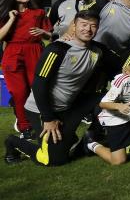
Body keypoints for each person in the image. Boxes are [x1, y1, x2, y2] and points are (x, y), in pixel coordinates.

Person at [4, 11, 120, 166]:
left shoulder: (98, 50)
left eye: (93, 26)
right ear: (74, 26)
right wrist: (48, 118)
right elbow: (39, 85)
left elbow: (119, 66)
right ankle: (13, 142)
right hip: (42, 110)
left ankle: (91, 136)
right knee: (53, 160)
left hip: (69, 107)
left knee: (111, 98)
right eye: (83, 25)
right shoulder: (57, 49)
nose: (88, 29)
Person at [0, 0, 52, 137]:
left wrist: (43, 32)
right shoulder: (5, 13)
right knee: (19, 92)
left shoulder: (39, 12)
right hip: (13, 52)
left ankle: (41, 121)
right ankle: (24, 127)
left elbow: (49, 35)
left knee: (37, 90)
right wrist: (11, 19)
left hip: (35, 51)